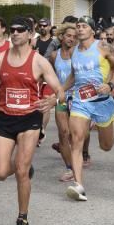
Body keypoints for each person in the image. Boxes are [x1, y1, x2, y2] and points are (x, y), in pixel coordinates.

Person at [0, 17, 64, 225]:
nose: (15, 33)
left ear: (29, 33)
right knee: (0, 172)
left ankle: (22, 219)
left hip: (29, 119)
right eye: (13, 30)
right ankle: (21, 166)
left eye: (20, 30)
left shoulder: (39, 62)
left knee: (22, 171)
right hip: (6, 118)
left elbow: (59, 90)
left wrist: (53, 100)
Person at [62, 15, 114, 202]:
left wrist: (111, 85)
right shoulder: (74, 51)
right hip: (81, 101)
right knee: (76, 139)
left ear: (92, 30)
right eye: (78, 26)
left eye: (83, 26)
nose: (80, 29)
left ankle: (113, 123)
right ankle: (78, 184)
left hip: (103, 102)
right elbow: (73, 75)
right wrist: (60, 91)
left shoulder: (103, 47)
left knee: (106, 146)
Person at [51, 23, 78, 182]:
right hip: (61, 98)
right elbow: (52, 76)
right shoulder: (55, 55)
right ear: (61, 36)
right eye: (69, 36)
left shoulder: (78, 53)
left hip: (77, 98)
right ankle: (70, 168)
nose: (72, 39)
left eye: (75, 37)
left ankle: (79, 161)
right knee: (63, 133)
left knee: (75, 135)